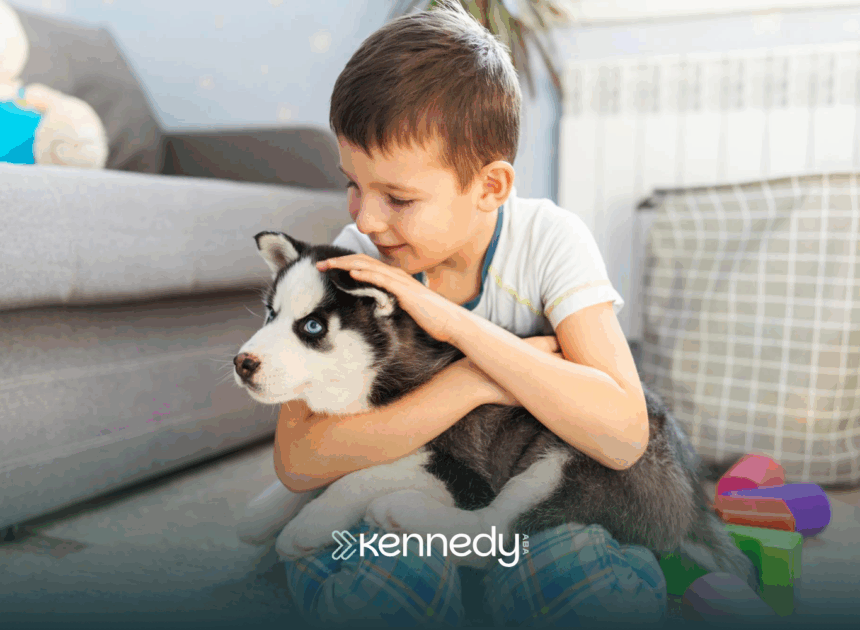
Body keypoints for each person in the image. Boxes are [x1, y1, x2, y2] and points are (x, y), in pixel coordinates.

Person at [275, 0, 667, 626]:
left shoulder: (550, 241)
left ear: (490, 187)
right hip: (402, 497)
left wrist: (453, 322)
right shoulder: (355, 260)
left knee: (584, 582)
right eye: (353, 182)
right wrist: (472, 382)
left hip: (521, 513)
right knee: (377, 581)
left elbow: (621, 436)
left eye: (398, 198)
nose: (364, 220)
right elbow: (299, 461)